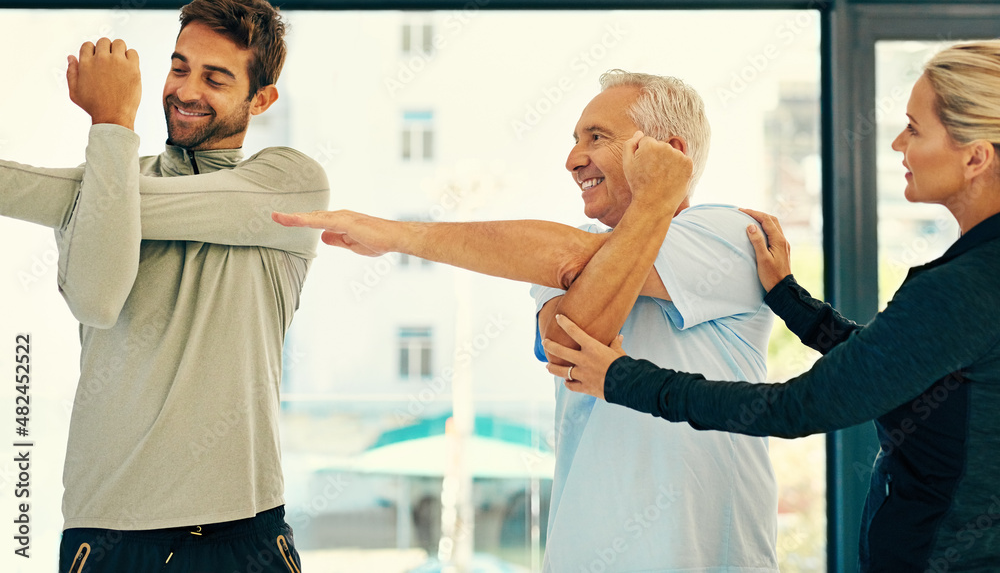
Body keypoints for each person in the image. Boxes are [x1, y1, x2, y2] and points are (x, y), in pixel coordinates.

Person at [275, 71, 781, 572]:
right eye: (575, 139)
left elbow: (567, 254)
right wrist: (647, 205)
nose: (572, 159)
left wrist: (394, 234)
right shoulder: (553, 254)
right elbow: (567, 339)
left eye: (597, 138)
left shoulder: (732, 236)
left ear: (670, 151)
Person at [540, 42, 1000, 572]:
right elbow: (889, 366)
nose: (897, 143)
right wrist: (789, 298)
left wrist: (621, 377)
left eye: (914, 129)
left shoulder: (964, 287)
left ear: (975, 157)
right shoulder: (975, 277)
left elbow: (798, 405)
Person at [0, 0, 329, 571]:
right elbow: (97, 303)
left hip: (245, 534)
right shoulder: (110, 177)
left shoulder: (289, 183)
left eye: (216, 78)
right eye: (179, 67)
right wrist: (111, 142)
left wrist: (109, 132)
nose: (185, 90)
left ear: (261, 99)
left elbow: (70, 195)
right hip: (109, 535)